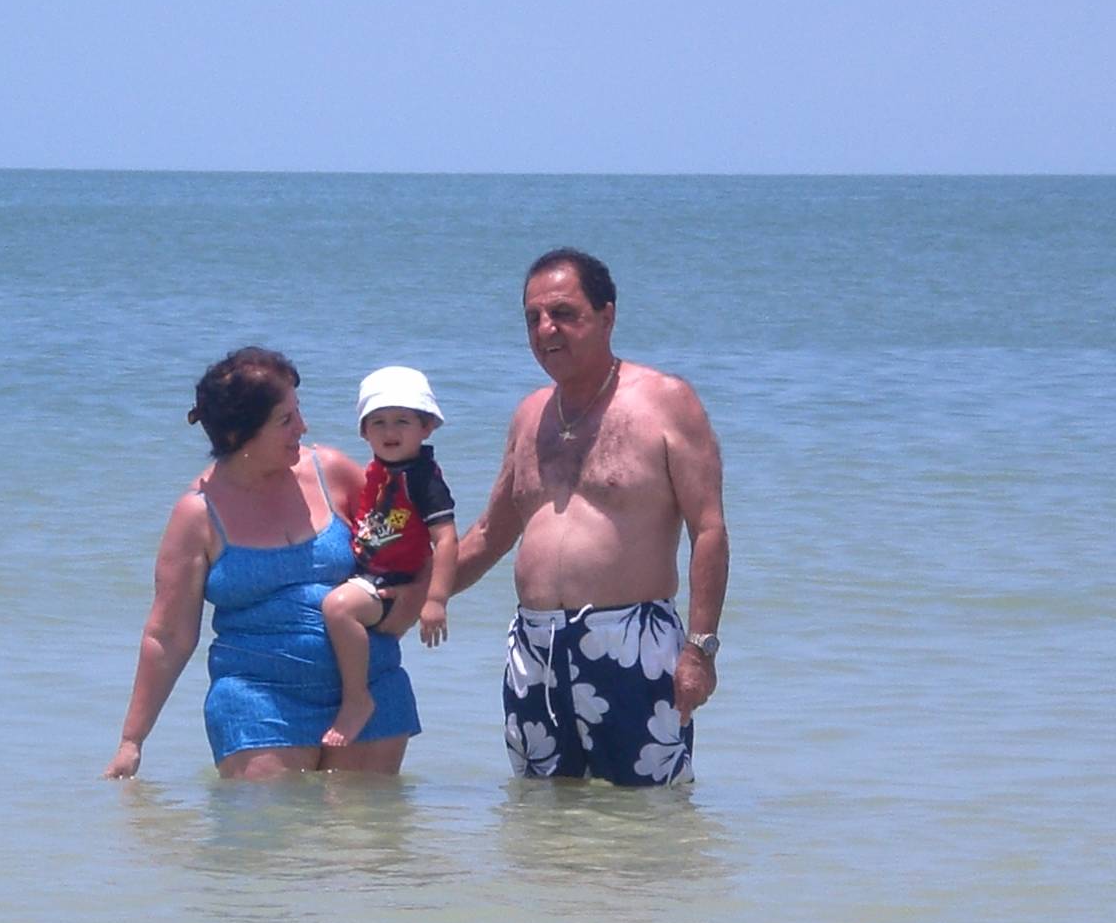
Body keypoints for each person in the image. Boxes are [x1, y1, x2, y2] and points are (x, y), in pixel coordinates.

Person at [453, 249, 729, 785]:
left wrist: (700, 649)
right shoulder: (530, 415)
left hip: (631, 643)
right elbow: (489, 534)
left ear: (607, 316)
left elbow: (709, 530)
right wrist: (406, 597)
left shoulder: (666, 402)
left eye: (563, 313)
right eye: (533, 318)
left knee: (646, 813)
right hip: (535, 648)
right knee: (539, 813)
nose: (545, 329)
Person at [103, 347, 428, 781]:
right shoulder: (198, 514)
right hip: (257, 701)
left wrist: (416, 599)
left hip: (370, 693)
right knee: (271, 827)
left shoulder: (332, 472)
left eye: (298, 411)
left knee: (363, 827)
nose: (303, 427)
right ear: (239, 434)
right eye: (285, 419)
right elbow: (169, 635)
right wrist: (132, 742)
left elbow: (416, 538)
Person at [320, 367, 458, 747]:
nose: (389, 431)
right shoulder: (378, 471)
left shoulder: (423, 479)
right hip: (368, 574)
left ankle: (357, 699)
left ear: (426, 427)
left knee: (338, 609)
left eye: (402, 421)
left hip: (391, 585)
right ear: (364, 432)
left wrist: (434, 600)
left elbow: (446, 540)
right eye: (378, 422)